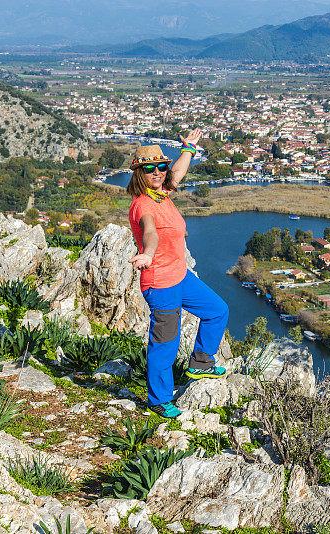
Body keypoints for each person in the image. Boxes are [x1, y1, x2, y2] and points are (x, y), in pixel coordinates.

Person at [126, 130, 228, 419]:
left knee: (218, 310)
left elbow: (177, 174)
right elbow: (150, 231)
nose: (157, 172)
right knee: (165, 344)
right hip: (160, 284)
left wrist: (188, 148)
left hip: (181, 276)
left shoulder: (161, 193)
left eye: (161, 166)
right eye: (150, 168)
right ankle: (158, 400)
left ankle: (200, 362)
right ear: (139, 173)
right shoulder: (143, 205)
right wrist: (147, 253)